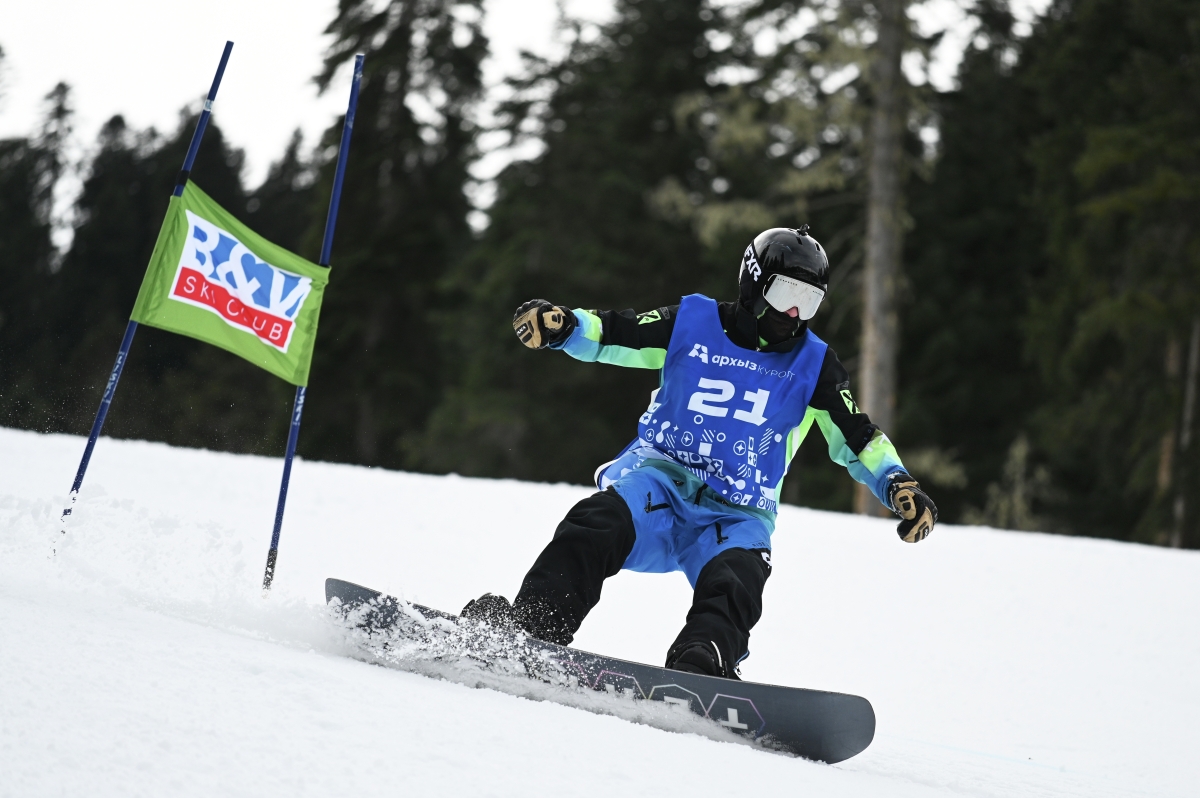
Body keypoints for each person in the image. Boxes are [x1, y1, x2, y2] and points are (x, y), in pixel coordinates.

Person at [462, 226, 937, 679]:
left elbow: (858, 435)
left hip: (735, 516)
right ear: (753, 283)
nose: (794, 314)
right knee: (593, 525)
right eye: (785, 295)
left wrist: (896, 482)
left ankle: (702, 663)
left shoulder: (814, 366)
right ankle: (530, 630)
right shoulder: (692, 323)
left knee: (736, 582)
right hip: (659, 486)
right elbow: (618, 333)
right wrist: (566, 327)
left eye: (808, 301)